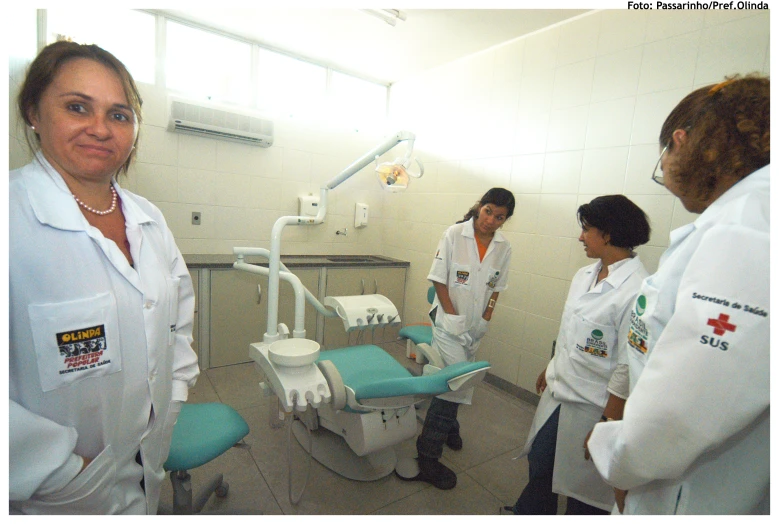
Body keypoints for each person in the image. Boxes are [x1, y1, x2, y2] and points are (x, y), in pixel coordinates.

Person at [9, 41, 200, 514]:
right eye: (77, 107)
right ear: (33, 112)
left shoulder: (149, 220)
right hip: (54, 492)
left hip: (146, 453)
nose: (100, 128)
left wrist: (171, 402)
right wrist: (63, 471)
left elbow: (179, 326)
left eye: (119, 115)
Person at [586, 75, 769, 514]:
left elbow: (685, 408)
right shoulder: (743, 217)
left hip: (684, 489)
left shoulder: (745, 229)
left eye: (663, 159)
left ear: (680, 142)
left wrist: (621, 460)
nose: (665, 174)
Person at [504, 195, 650, 515]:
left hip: (593, 405)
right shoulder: (584, 276)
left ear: (607, 234)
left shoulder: (638, 290)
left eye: (586, 229)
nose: (580, 237)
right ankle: (530, 512)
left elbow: (628, 364)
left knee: (584, 491)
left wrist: (607, 422)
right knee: (541, 462)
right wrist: (552, 365)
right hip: (560, 390)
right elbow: (570, 329)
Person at [401, 188, 514, 490]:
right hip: (449, 323)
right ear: (480, 206)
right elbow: (438, 278)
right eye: (488, 211)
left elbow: (496, 289)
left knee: (460, 380)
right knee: (455, 386)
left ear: (505, 220)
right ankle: (427, 456)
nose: (490, 220)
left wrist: (486, 319)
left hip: (476, 328)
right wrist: (451, 317)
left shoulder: (504, 248)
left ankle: (450, 428)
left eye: (499, 217)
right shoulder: (454, 234)